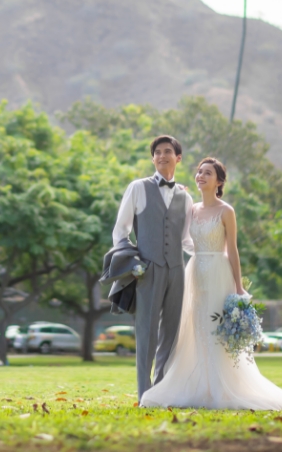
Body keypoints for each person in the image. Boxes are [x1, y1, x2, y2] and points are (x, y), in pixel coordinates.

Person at [139, 157, 282, 411]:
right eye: (199, 172)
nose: (201, 176)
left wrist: (238, 287)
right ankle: (199, 388)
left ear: (218, 181)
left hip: (219, 272)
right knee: (196, 330)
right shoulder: (191, 209)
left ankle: (221, 389)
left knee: (216, 332)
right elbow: (175, 226)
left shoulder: (226, 211)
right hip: (195, 271)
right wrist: (177, 193)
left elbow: (233, 251)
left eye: (207, 173)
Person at [112, 135, 195, 401]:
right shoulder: (137, 187)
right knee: (146, 333)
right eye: (157, 152)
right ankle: (143, 394)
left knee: (171, 333)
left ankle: (161, 391)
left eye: (167, 151)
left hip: (176, 270)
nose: (161, 156)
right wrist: (133, 262)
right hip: (147, 270)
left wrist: (211, 254)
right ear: (152, 158)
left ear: (178, 158)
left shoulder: (185, 196)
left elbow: (185, 240)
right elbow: (120, 231)